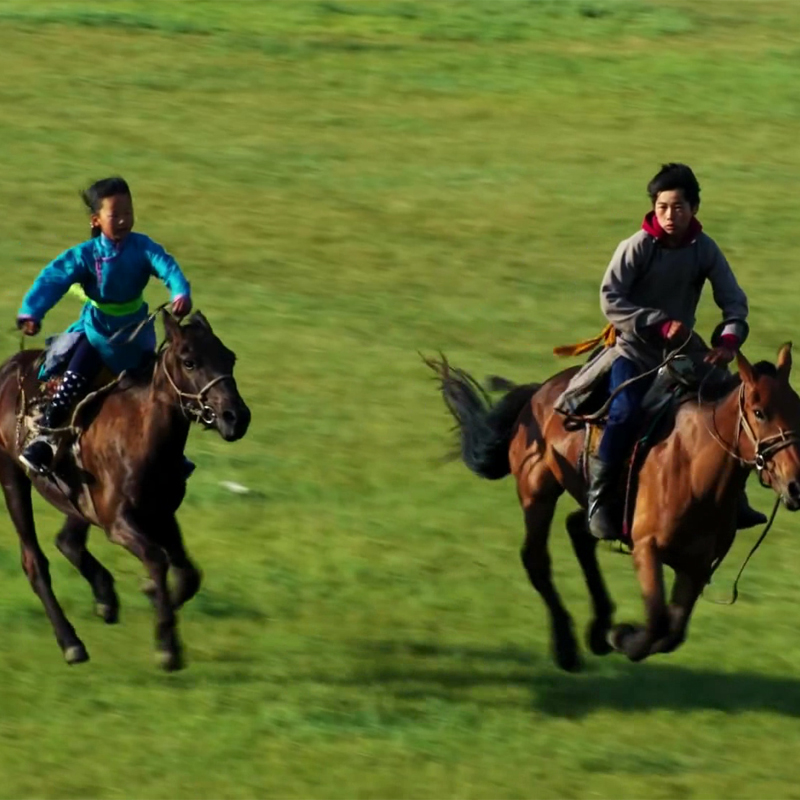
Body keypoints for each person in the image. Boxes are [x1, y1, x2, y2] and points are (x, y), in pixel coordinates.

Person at [554, 163, 767, 540]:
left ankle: (735, 497)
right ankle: (600, 500)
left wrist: (727, 342)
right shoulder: (636, 247)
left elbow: (734, 301)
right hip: (633, 351)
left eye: (679, 207)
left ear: (694, 208)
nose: (670, 215)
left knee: (735, 405)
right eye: (663, 207)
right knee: (625, 412)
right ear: (654, 207)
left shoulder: (705, 249)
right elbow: (610, 299)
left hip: (683, 353)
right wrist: (658, 322)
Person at [16, 176, 195, 477]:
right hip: (97, 332)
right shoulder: (85, 255)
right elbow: (53, 278)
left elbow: (166, 265)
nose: (124, 220)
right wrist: (32, 311)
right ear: (96, 220)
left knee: (162, 391)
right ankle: (45, 438)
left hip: (137, 334)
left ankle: (172, 453)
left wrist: (179, 291)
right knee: (74, 378)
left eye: (129, 212)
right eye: (116, 214)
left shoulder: (142, 247)